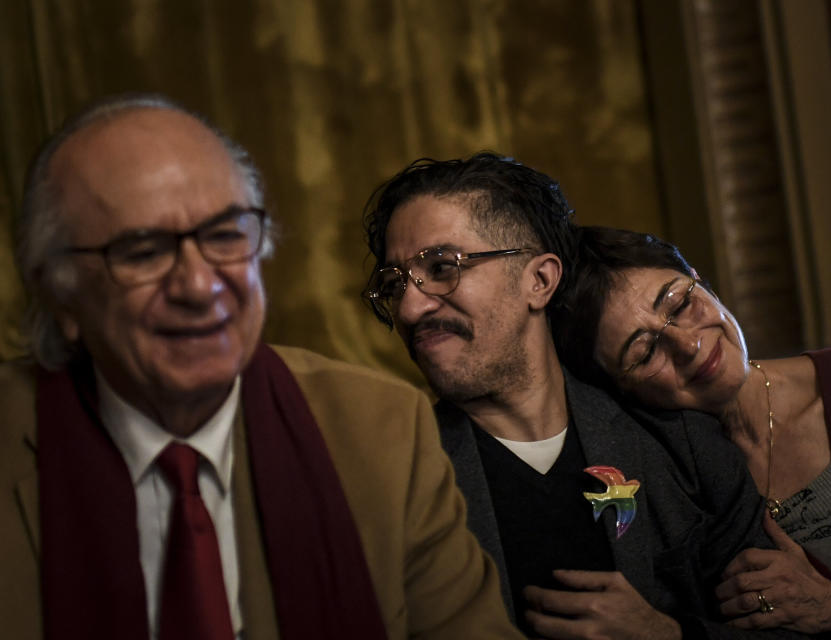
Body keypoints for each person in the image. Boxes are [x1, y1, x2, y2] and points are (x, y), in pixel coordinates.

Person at [0, 94, 522, 640]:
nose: (199, 286)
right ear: (60, 296)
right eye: (144, 251)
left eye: (225, 236)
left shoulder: (384, 433)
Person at [362, 153, 808, 639]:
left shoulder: (680, 443)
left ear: (540, 280)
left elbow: (789, 630)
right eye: (393, 284)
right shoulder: (394, 482)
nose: (409, 308)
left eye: (443, 267)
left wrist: (670, 635)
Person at [551, 225, 831, 637]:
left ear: (698, 279)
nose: (688, 344)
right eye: (646, 351)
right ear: (622, 390)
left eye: (679, 303)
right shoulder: (660, 477)